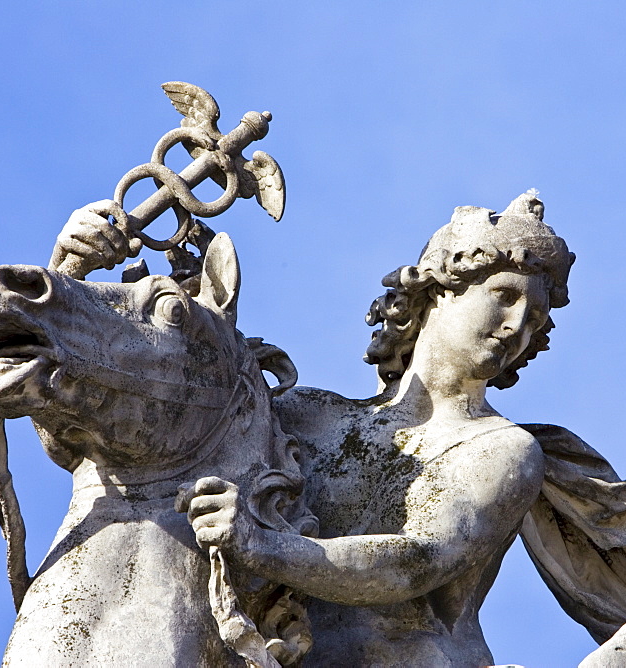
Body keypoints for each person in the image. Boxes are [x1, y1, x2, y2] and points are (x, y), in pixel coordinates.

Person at [179, 191, 575, 665]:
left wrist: (263, 546)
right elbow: (159, 422)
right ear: (439, 291)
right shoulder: (305, 413)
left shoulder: (502, 450)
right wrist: (68, 271)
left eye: (534, 319)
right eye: (504, 297)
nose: (517, 328)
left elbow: (420, 560)